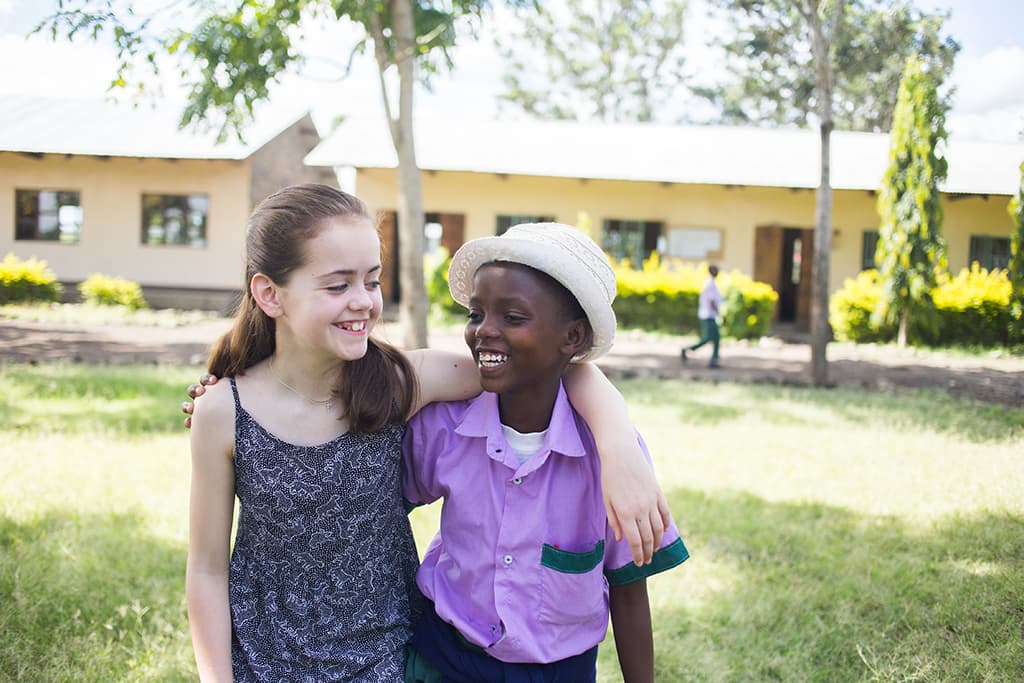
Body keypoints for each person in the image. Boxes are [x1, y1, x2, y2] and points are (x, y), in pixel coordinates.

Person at [185, 185, 670, 681]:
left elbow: (551, 365)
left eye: (371, 282)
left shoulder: (400, 383)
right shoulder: (224, 411)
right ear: (269, 294)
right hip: (260, 661)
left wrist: (615, 443)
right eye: (338, 285)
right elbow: (206, 569)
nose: (363, 302)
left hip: (387, 659)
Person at [402, 223, 689, 683]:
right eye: (476, 314)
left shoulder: (612, 458)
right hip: (444, 657)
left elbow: (629, 592)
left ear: (572, 339)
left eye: (513, 318)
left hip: (557, 671)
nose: (484, 332)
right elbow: (375, 507)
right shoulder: (445, 426)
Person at [681, 264, 722, 368]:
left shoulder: (711, 283)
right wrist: (718, 312)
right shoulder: (710, 284)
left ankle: (714, 359)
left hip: (708, 315)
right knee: (708, 338)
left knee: (715, 337)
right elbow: (712, 300)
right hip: (708, 315)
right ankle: (688, 350)